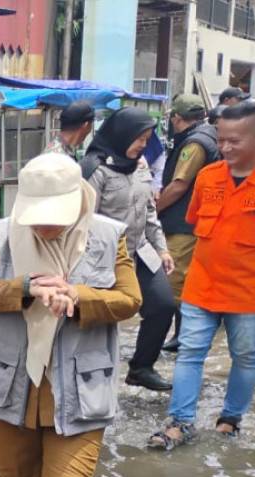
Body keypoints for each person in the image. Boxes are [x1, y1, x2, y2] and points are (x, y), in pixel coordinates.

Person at [0, 153, 141, 477]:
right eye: (36, 216)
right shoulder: (1, 234)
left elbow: (130, 300)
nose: (42, 227)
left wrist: (78, 295)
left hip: (80, 387)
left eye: (53, 216)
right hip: (8, 384)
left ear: (77, 201)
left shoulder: (107, 236)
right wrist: (26, 287)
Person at [147, 101, 255, 449]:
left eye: (234, 141)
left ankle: (230, 419)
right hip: (202, 287)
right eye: (221, 139)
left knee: (246, 357)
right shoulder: (208, 177)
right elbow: (196, 223)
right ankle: (181, 422)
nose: (224, 147)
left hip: (248, 295)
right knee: (190, 353)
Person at [80, 107, 176, 392]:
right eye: (139, 139)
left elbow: (148, 211)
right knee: (102, 317)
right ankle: (90, 376)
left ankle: (141, 368)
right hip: (104, 258)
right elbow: (83, 223)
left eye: (147, 139)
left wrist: (162, 248)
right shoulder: (94, 170)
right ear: (122, 135)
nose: (142, 145)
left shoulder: (140, 166)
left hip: (141, 250)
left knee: (162, 306)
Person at [156, 94, 220, 353]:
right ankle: (182, 337)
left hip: (184, 224)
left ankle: (185, 337)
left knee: (176, 283)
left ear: (177, 118)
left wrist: (153, 209)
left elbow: (179, 185)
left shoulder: (194, 143)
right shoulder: (209, 134)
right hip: (195, 222)